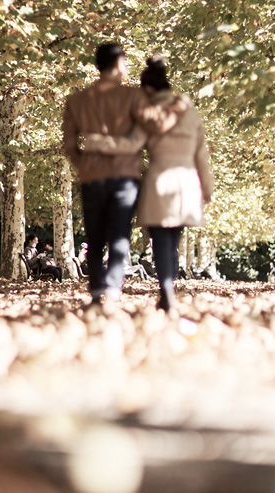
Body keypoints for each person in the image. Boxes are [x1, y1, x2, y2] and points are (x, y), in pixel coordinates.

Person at [83, 56, 214, 313]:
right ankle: (168, 288)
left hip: (159, 181)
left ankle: (166, 289)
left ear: (149, 90)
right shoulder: (191, 113)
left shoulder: (150, 114)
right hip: (187, 182)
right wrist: (207, 188)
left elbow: (131, 143)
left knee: (161, 239)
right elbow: (202, 154)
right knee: (173, 240)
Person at [62, 42, 187, 307]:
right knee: (120, 235)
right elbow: (157, 123)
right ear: (118, 64)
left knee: (95, 237)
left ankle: (96, 294)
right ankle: (113, 290)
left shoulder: (77, 100)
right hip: (125, 177)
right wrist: (177, 107)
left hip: (91, 176)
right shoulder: (133, 97)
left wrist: (84, 164)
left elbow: (69, 146)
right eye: (126, 62)